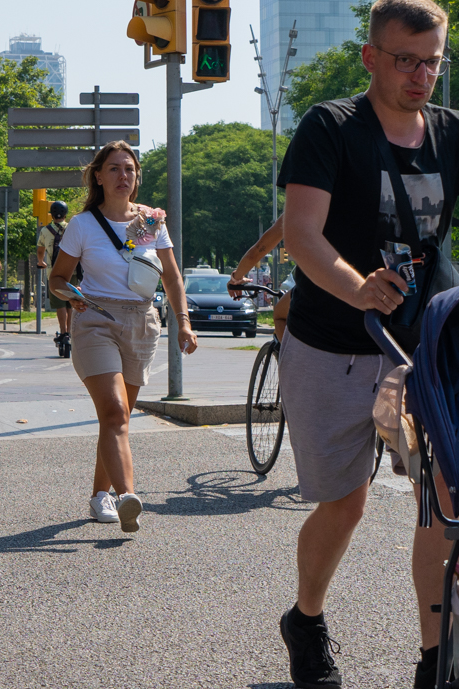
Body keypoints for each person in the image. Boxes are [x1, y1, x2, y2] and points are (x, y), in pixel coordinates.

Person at [275, 0, 459, 689]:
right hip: (333, 338)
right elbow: (301, 233)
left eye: (432, 62)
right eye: (405, 60)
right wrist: (355, 285)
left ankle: (434, 660)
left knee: (445, 494)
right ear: (371, 56)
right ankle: (306, 616)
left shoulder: (453, 132)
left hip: (426, 343)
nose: (420, 75)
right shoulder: (330, 127)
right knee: (345, 500)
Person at [46, 140, 198, 533]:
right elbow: (57, 279)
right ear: (98, 176)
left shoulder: (151, 220)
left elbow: (172, 276)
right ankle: (127, 495)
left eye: (129, 169)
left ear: (136, 177)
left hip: (142, 322)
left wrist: (183, 321)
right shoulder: (82, 225)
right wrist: (72, 294)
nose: (122, 176)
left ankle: (101, 495)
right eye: (113, 169)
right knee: (114, 412)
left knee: (118, 418)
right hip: (95, 318)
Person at [229, 216, 290, 336]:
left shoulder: (303, 205)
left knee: (279, 315)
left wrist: (236, 278)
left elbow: (256, 253)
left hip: (315, 288)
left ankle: (290, 354)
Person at [35, 201, 74, 358]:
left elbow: (40, 250)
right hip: (73, 272)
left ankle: (63, 331)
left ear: (51, 213)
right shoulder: (72, 228)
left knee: (60, 304)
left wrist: (41, 262)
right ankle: (70, 332)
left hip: (54, 273)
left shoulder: (45, 230)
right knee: (72, 301)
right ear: (66, 214)